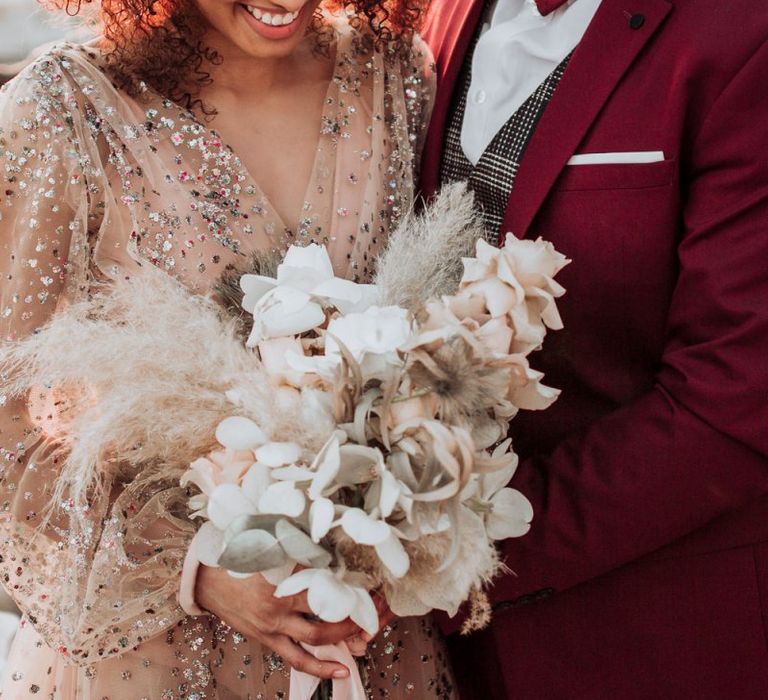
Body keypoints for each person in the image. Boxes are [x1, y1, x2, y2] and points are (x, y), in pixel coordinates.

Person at [0, 1, 458, 697]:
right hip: (154, 655)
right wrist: (195, 570)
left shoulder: (392, 74)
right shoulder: (64, 109)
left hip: (373, 643)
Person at [419, 0, 768, 697]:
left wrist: (453, 555)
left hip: (661, 638)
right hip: (442, 663)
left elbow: (733, 406)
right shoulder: (436, 15)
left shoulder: (745, 29)